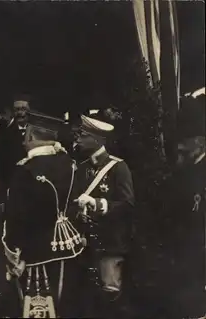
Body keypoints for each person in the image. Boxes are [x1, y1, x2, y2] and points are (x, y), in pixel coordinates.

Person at [2, 110, 85, 318]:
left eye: (26, 135)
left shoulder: (25, 171)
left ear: (31, 136)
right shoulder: (71, 164)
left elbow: (17, 218)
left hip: (36, 253)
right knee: (68, 305)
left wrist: (13, 252)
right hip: (71, 248)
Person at [73, 114, 135, 318]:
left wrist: (99, 204)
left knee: (110, 299)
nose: (78, 140)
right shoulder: (81, 168)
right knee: (87, 299)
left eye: (83, 136)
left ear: (97, 140)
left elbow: (127, 205)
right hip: (85, 245)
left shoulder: (118, 168)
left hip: (110, 244)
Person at [160, 89, 205, 318]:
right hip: (182, 252)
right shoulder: (183, 171)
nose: (178, 149)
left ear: (199, 142)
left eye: (183, 144)